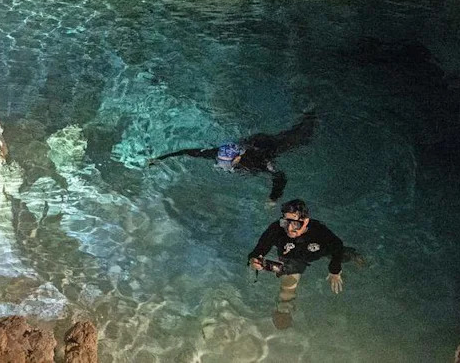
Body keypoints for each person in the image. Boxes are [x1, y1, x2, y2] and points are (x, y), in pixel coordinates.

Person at [147, 111, 316, 202]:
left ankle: (311, 116)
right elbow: (189, 151)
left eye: (224, 163)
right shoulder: (217, 153)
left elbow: (280, 177)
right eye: (219, 161)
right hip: (248, 144)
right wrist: (162, 159)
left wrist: (273, 198)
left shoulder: (259, 162)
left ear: (237, 159)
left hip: (267, 146)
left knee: (301, 138)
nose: (220, 164)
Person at [247, 198, 344, 330]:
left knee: (344, 255)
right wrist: (253, 261)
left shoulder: (319, 231)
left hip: (318, 252)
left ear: (306, 221)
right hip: (292, 260)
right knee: (288, 286)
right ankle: (284, 310)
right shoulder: (276, 229)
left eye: (295, 224)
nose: (289, 228)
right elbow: (257, 252)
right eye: (285, 222)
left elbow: (338, 246)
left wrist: (334, 270)